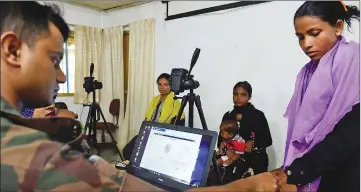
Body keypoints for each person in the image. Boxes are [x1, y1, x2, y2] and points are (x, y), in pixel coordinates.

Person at [0, 2, 278, 192]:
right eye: (55, 60)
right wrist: (249, 186)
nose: (61, 76)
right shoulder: (31, 152)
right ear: (12, 50)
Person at [271, 2, 360, 192]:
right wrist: (292, 170)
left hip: (346, 170)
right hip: (315, 167)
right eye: (300, 37)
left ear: (338, 27)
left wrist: (298, 172)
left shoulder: (353, 59)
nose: (306, 44)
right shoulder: (307, 72)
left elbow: (350, 131)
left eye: (314, 33)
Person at [122, 73, 185, 160]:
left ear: (171, 86)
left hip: (161, 135)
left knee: (140, 154)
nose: (162, 87)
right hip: (148, 131)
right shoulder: (155, 99)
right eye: (160, 84)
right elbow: (148, 117)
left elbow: (179, 125)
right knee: (127, 151)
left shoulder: (175, 102)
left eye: (165, 84)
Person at [220, 81, 273, 175]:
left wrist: (252, 143)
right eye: (235, 94)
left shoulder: (257, 115)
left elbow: (267, 140)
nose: (238, 97)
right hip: (232, 159)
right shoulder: (228, 116)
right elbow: (221, 138)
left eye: (243, 94)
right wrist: (223, 143)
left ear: (249, 97)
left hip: (254, 160)